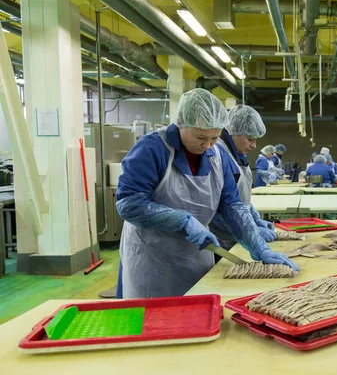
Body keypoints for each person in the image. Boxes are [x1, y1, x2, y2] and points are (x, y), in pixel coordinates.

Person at [116, 89, 298, 299]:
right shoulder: (152, 149)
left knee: (196, 312)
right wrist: (182, 220)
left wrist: (256, 245)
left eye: (215, 137)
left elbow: (232, 205)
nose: (208, 145)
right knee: (154, 320)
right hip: (153, 256)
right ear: (181, 124)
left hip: (197, 252)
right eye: (201, 137)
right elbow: (129, 203)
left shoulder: (217, 156)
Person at [210, 105, 276, 249]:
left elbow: (241, 199)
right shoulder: (218, 156)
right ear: (235, 131)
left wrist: (256, 220)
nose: (254, 146)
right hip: (221, 241)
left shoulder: (237, 156)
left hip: (237, 237)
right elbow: (217, 209)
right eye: (250, 139)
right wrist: (249, 231)